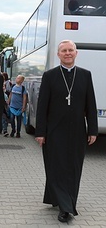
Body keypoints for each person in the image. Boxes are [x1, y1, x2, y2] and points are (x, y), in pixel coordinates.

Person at [35, 40, 98, 223]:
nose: (68, 53)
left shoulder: (85, 75)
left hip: (78, 131)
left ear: (76, 53)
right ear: (58, 54)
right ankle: (65, 207)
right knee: (56, 167)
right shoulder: (50, 76)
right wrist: (40, 132)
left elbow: (91, 105)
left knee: (73, 168)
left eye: (71, 50)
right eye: (64, 51)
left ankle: (65, 201)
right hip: (54, 131)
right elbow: (42, 106)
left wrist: (92, 129)